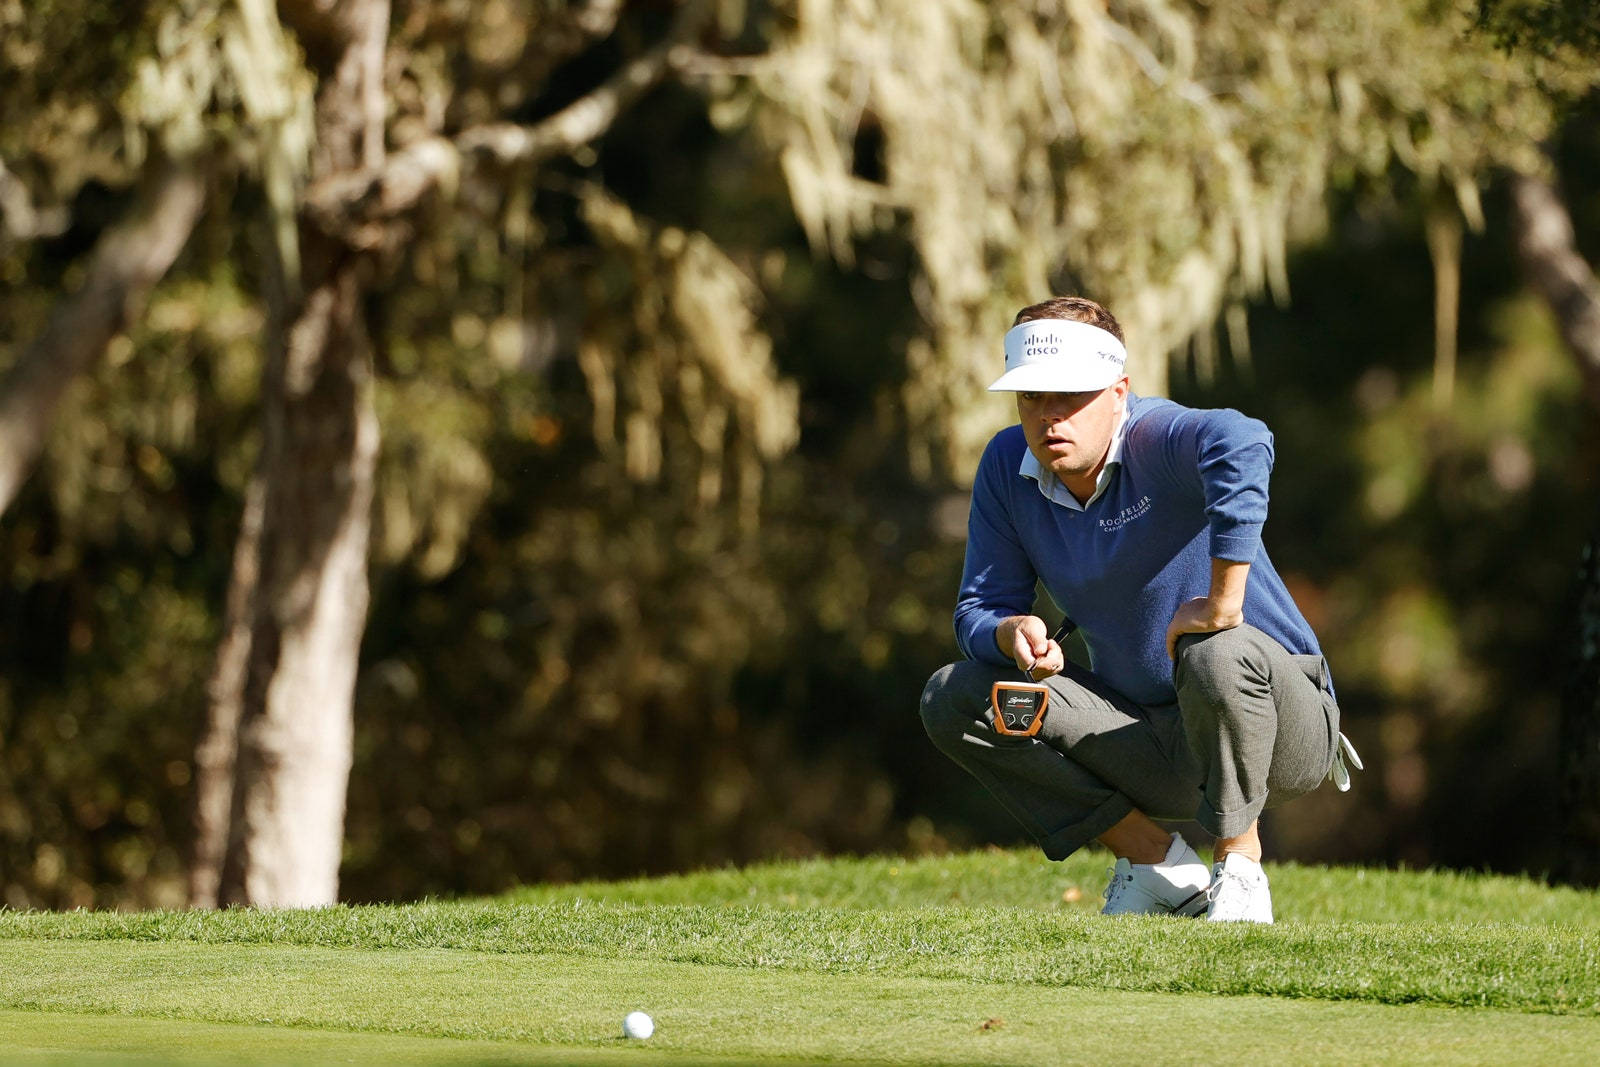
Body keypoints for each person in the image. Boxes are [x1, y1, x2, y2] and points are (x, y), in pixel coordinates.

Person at [919, 296, 1360, 923]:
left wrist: (1223, 602)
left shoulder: (1158, 436)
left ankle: (1240, 867)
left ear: (1119, 391)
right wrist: (1010, 631)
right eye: (1032, 398)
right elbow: (978, 609)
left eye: (1070, 396)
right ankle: (1157, 866)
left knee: (1217, 649)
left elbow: (1246, 439)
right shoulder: (1004, 467)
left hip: (1280, 733)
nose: (1050, 417)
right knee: (956, 696)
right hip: (1153, 742)